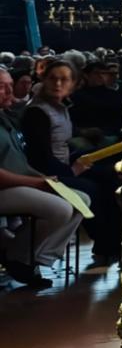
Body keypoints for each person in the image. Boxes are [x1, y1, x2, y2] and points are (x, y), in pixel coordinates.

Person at [19, 61, 119, 266]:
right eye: (52, 78)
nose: (57, 83)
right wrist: (73, 170)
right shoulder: (37, 112)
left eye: (63, 79)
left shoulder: (61, 107)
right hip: (45, 173)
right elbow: (40, 158)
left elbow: (62, 139)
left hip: (62, 165)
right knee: (92, 189)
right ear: (44, 81)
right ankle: (106, 245)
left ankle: (113, 244)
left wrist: (85, 138)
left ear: (73, 84)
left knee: (110, 176)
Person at [0, 74, 83, 288]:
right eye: (2, 87)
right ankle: (18, 256)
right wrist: (35, 183)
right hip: (5, 188)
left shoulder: (6, 118)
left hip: (20, 183)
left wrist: (42, 178)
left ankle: (35, 257)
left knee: (81, 200)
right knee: (60, 209)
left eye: (10, 85)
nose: (10, 91)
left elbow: (18, 160)